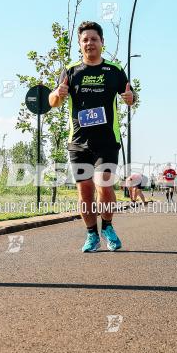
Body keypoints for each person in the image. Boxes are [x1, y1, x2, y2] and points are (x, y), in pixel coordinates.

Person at [50, 20, 135, 252]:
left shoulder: (114, 70)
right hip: (78, 143)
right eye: (85, 40)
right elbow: (53, 101)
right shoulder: (71, 71)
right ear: (80, 44)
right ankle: (91, 235)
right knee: (85, 190)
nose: (89, 43)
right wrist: (58, 93)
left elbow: (130, 95)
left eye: (94, 39)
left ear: (102, 42)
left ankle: (107, 226)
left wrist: (129, 98)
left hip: (107, 141)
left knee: (103, 185)